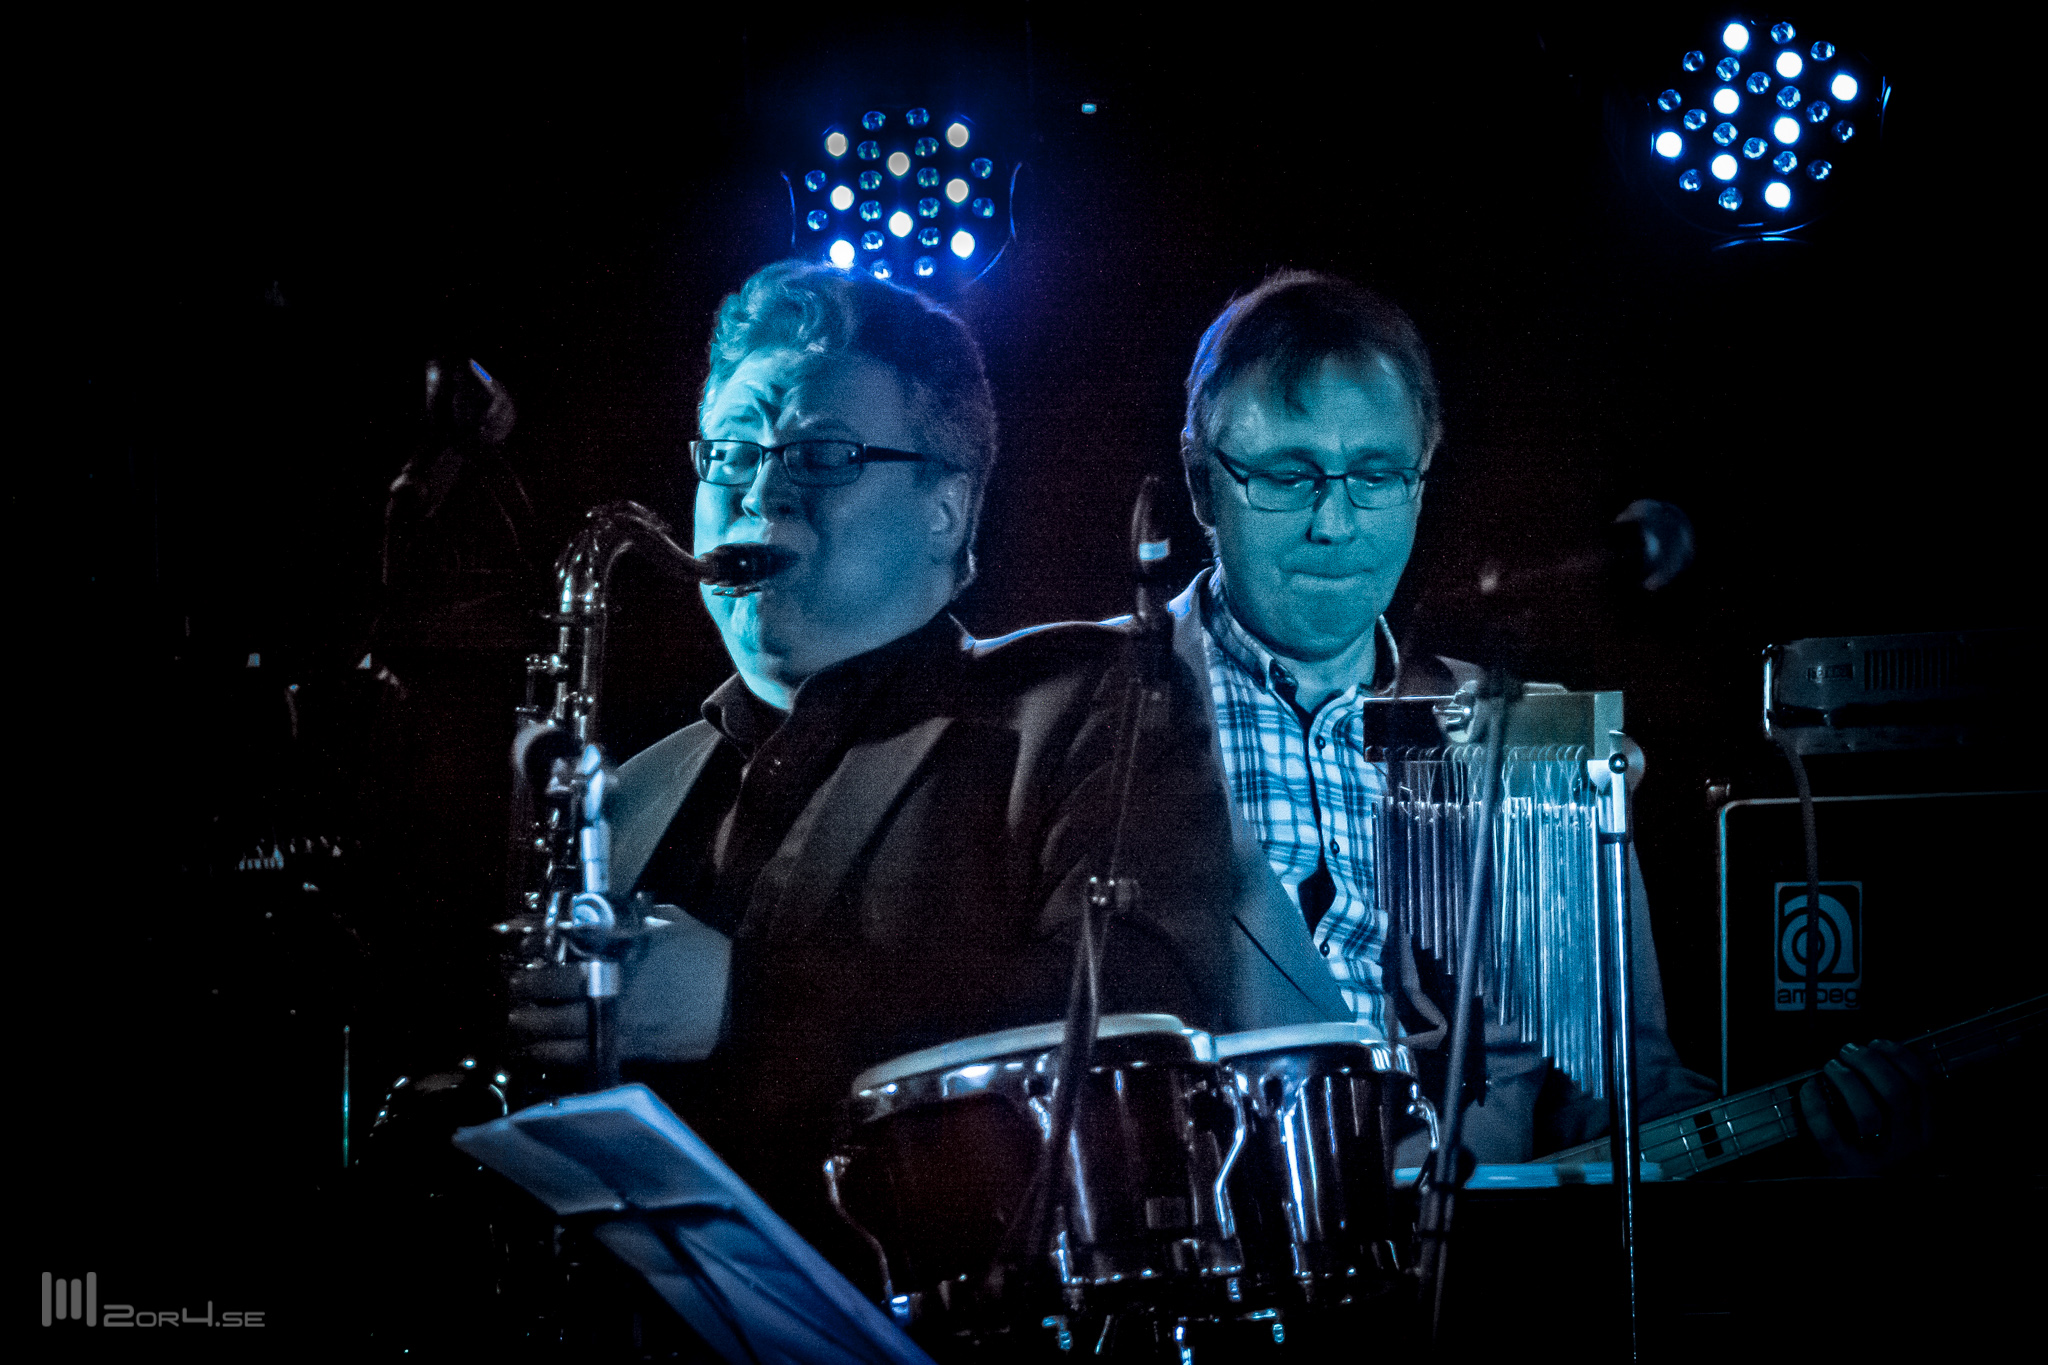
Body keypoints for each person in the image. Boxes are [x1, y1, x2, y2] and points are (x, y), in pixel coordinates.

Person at [508, 260, 1250, 1253]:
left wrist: (742, 1001)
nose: (757, 490)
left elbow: (1141, 1010)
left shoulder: (1085, 699)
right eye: (731, 452)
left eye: (820, 454)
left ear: (947, 508)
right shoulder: (631, 793)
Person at [1166, 270, 1928, 1167]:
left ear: (1420, 480)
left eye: (1375, 475)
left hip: (1491, 1255)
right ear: (1202, 482)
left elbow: (1625, 1104)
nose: (1335, 523)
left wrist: (1813, 1161)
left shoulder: (1538, 741)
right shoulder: (1073, 710)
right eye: (1288, 475)